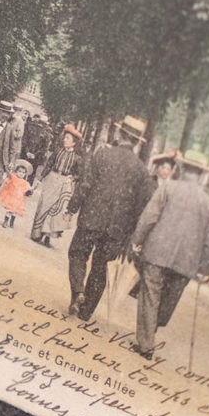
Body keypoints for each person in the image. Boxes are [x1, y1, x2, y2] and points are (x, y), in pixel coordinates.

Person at [129, 151, 209, 360]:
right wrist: (206, 268)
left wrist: (137, 241)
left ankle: (146, 341)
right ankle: (149, 336)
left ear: (182, 168)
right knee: (168, 301)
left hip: (157, 253)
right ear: (202, 174)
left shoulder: (168, 188)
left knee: (150, 297)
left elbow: (148, 218)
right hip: (186, 262)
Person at [65, 116, 154, 321]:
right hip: (116, 229)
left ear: (119, 133)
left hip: (91, 218)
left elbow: (85, 184)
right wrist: (132, 234)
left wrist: (72, 206)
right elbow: (144, 205)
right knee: (100, 266)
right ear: (136, 142)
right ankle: (86, 312)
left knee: (78, 253)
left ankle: (78, 292)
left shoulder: (102, 155)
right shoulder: (141, 170)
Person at [29, 124, 83, 247]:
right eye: (65, 137)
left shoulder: (77, 158)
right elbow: (49, 164)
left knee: (56, 210)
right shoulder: (57, 151)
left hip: (63, 184)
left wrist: (72, 178)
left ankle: (48, 236)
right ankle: (37, 234)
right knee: (44, 206)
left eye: (68, 138)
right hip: (52, 179)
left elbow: (79, 174)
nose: (65, 140)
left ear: (74, 143)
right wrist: (41, 178)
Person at [0, 159, 33, 229]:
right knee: (9, 210)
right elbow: (9, 176)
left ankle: (12, 222)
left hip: (19, 200)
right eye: (19, 171)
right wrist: (10, 170)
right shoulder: (13, 178)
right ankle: (5, 221)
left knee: (15, 213)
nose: (21, 174)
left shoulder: (25, 183)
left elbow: (28, 189)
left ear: (25, 174)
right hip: (12, 198)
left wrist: (29, 191)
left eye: (23, 173)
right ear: (16, 171)